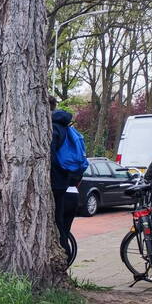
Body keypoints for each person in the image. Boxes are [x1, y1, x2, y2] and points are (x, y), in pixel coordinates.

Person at [49, 97, 86, 255]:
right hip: (71, 190)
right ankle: (65, 260)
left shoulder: (53, 128)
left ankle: (63, 259)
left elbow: (49, 156)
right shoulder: (68, 128)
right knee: (63, 229)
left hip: (57, 186)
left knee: (58, 231)